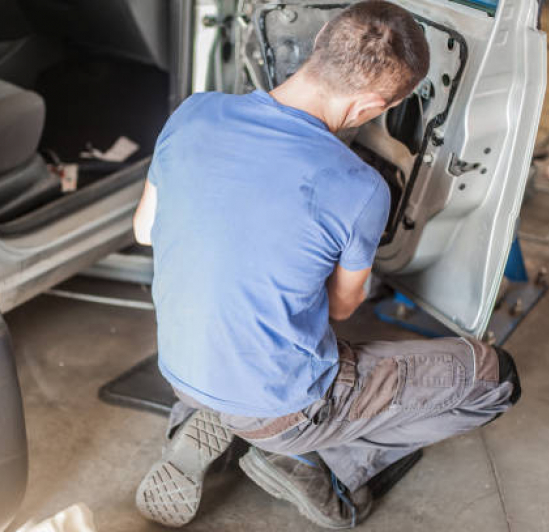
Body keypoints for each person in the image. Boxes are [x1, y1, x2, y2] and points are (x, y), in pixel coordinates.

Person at [132, 1, 521, 528]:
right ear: (371, 107)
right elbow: (342, 307)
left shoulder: (194, 113)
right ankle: (318, 464)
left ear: (318, 46)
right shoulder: (359, 188)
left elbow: (144, 231)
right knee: (495, 379)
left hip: (179, 367)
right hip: (287, 406)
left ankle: (203, 416)